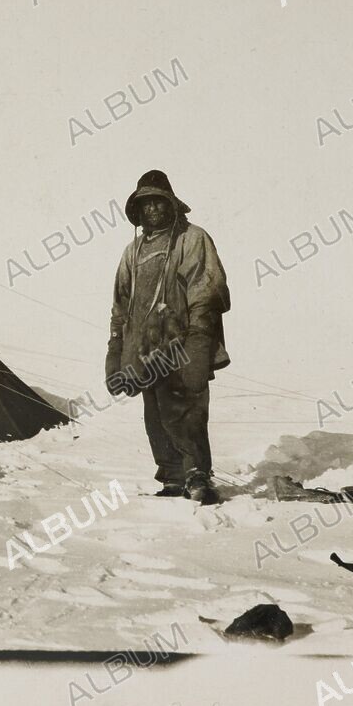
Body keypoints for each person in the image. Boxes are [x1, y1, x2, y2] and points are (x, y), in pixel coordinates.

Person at [105, 170, 231, 505]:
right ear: (138, 210)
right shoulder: (132, 252)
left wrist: (199, 341)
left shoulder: (192, 239)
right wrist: (116, 350)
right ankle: (173, 476)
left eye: (158, 202)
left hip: (183, 344)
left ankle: (197, 476)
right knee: (156, 416)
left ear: (171, 203)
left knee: (186, 411)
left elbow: (206, 290)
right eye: (145, 204)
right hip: (145, 351)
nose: (153, 210)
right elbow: (120, 304)